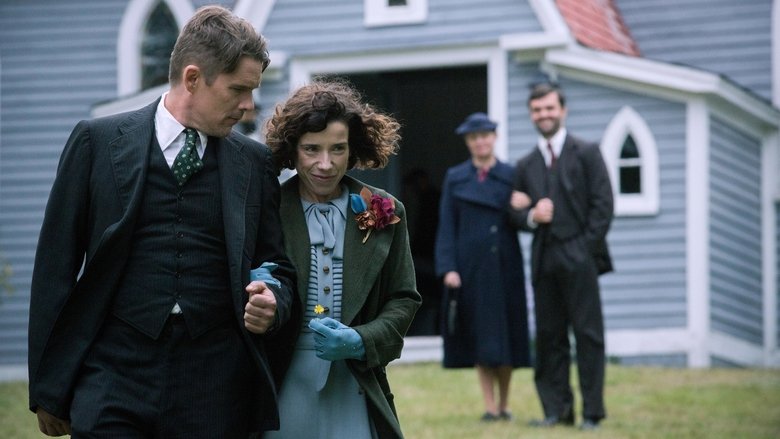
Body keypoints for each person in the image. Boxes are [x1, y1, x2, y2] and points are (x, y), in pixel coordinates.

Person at [27, 6, 297, 437]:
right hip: (112, 373)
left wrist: (274, 301)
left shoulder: (254, 162)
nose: (248, 106)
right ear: (192, 78)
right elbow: (54, 269)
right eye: (238, 90)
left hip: (215, 383)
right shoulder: (96, 143)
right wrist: (48, 387)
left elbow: (275, 264)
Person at [263, 79, 422, 438]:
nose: (326, 163)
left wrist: (361, 340)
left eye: (338, 149)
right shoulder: (266, 208)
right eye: (311, 149)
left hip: (354, 382)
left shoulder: (384, 209)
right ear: (292, 150)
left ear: (353, 149)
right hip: (284, 382)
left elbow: (403, 298)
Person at [508, 82, 614, 430]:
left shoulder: (587, 152)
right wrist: (531, 215)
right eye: (537, 110)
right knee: (549, 338)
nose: (544, 115)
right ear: (531, 115)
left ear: (563, 110)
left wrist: (584, 248)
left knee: (588, 335)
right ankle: (557, 411)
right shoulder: (526, 164)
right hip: (544, 259)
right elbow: (514, 213)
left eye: (550, 108)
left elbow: (603, 206)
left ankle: (592, 414)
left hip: (580, 255)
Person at [434, 112, 531, 422]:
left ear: (495, 138)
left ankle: (504, 404)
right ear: (468, 142)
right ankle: (489, 407)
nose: (480, 142)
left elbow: (524, 218)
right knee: (481, 336)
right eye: (474, 137)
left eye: (485, 136)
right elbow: (446, 224)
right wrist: (448, 267)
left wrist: (525, 205)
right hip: (470, 269)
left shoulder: (512, 174)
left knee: (506, 335)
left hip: (505, 266)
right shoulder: (455, 177)